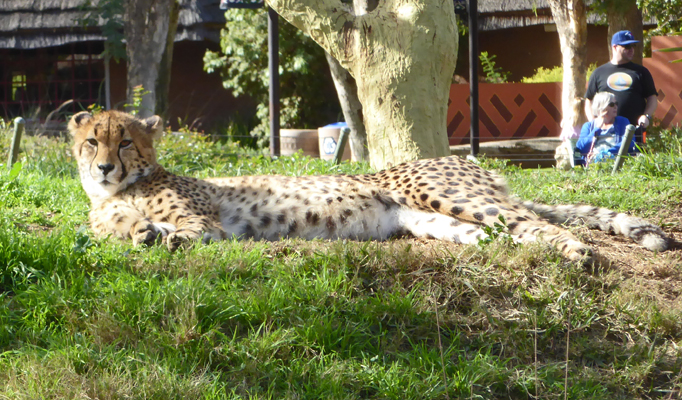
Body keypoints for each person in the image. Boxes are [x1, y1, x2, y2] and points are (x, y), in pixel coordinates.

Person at [584, 30, 657, 144]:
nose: (631, 49)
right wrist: (594, 122)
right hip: (605, 133)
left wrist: (646, 116)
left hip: (634, 130)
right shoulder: (599, 73)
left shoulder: (641, 72)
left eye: (633, 46)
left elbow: (652, 98)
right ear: (614, 47)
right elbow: (589, 100)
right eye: (627, 46)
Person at [576, 92, 635, 166]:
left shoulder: (622, 122)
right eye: (611, 104)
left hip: (616, 164)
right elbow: (581, 148)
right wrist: (597, 128)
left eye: (616, 103)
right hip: (593, 165)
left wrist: (605, 153)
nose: (615, 107)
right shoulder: (588, 126)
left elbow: (629, 142)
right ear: (601, 107)